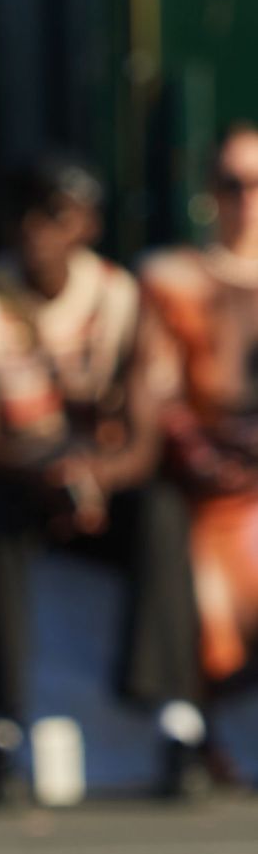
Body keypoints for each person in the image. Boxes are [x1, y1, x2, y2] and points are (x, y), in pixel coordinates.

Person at [0, 151, 207, 800]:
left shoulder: (120, 296)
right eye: (26, 214)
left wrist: (93, 475)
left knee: (162, 512)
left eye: (56, 215)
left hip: (102, 484)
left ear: (86, 223)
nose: (38, 230)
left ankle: (175, 722)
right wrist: (49, 472)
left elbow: (143, 442)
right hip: (18, 479)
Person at [140, 122, 258, 778]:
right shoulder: (170, 279)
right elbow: (158, 394)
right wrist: (208, 457)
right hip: (208, 480)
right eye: (232, 184)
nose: (247, 200)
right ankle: (196, 725)